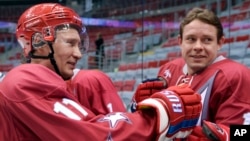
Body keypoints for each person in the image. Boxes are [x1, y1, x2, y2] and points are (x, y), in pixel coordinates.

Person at [0, 3, 202, 140]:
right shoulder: (26, 79)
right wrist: (159, 113)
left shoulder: (26, 80)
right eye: (70, 43)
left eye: (79, 45)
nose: (78, 53)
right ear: (39, 42)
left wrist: (135, 112)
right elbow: (95, 134)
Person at [132, 7, 250, 140]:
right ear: (180, 42)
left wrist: (221, 136)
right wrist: (140, 109)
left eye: (207, 40)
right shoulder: (169, 69)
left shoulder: (235, 76)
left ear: (220, 43)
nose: (198, 47)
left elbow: (243, 133)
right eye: (191, 39)